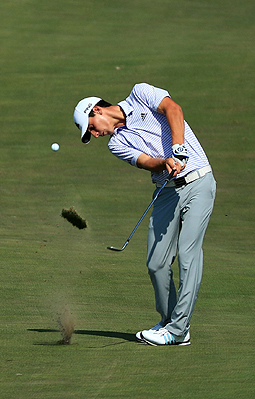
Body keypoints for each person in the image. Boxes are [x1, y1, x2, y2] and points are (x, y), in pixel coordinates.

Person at [72, 83, 216, 346]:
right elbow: (146, 162)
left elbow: (173, 109)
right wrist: (165, 162)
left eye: (91, 127)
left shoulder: (140, 93)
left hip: (198, 181)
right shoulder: (116, 143)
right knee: (156, 263)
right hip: (166, 192)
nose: (94, 135)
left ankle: (178, 329)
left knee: (188, 254)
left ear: (97, 110)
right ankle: (169, 321)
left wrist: (178, 147)